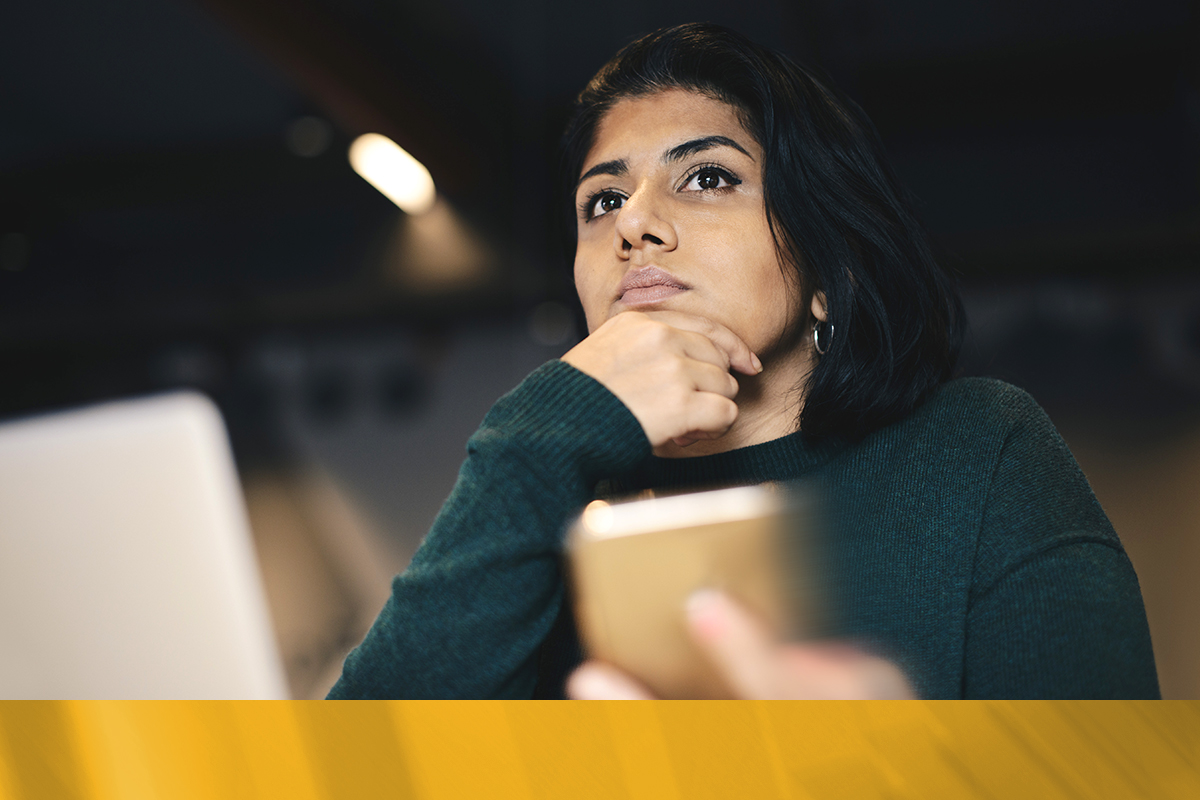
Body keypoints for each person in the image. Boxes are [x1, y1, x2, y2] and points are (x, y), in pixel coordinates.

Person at [328, 23, 1159, 699]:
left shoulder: (978, 452)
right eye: (603, 200)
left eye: (708, 178)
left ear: (829, 270)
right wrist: (537, 432)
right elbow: (358, 769)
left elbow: (1109, 779)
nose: (634, 225)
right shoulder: (535, 489)